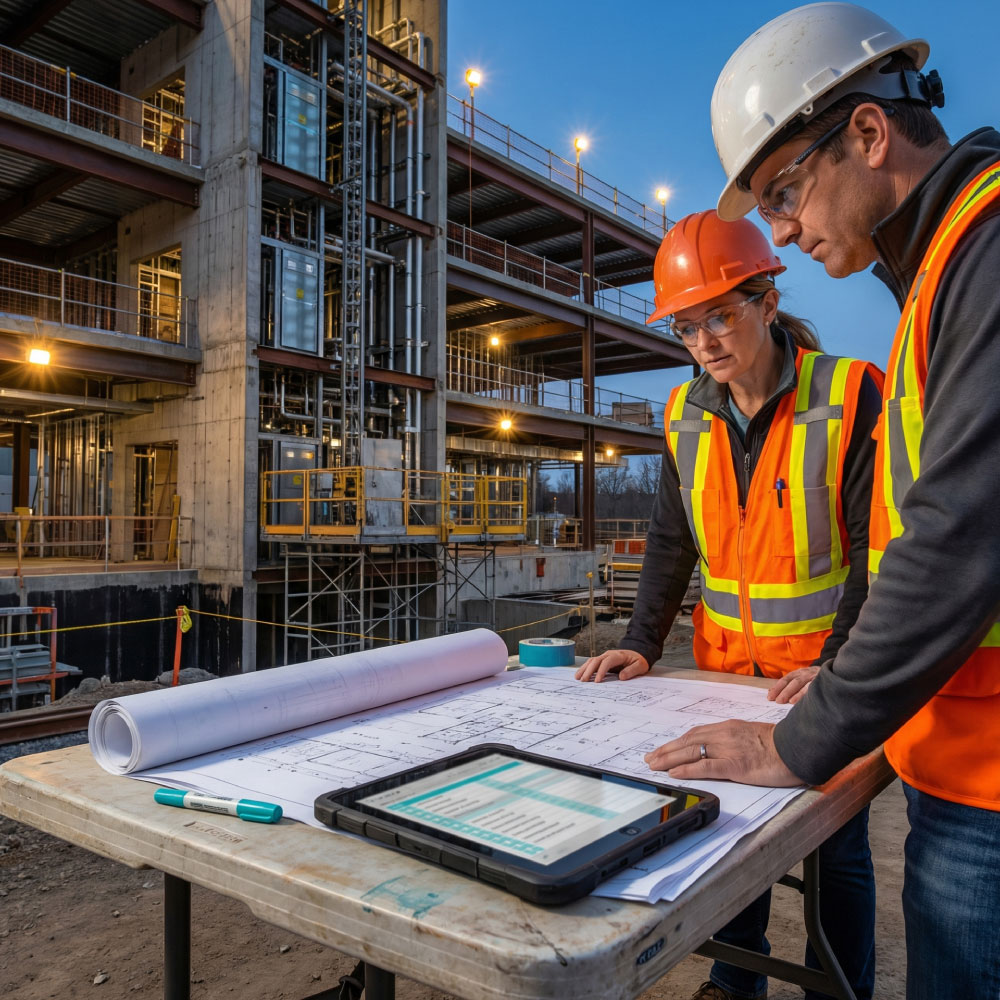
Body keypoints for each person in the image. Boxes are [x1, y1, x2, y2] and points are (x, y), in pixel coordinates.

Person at [645, 5, 1000, 998]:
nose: (784, 228)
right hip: (943, 751)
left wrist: (808, 734)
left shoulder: (981, 256)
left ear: (868, 134)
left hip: (977, 774)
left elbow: (950, 543)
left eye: (784, 191)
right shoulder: (937, 275)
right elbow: (677, 539)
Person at [576, 209, 883, 1000]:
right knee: (724, 831)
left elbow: (875, 551)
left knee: (836, 850)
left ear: (768, 304)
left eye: (721, 314)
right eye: (687, 327)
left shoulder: (849, 395)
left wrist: (839, 665)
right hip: (724, 673)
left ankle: (836, 986)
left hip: (819, 680)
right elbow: (671, 541)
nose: (706, 341)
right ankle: (732, 979)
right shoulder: (686, 416)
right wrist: (642, 641)